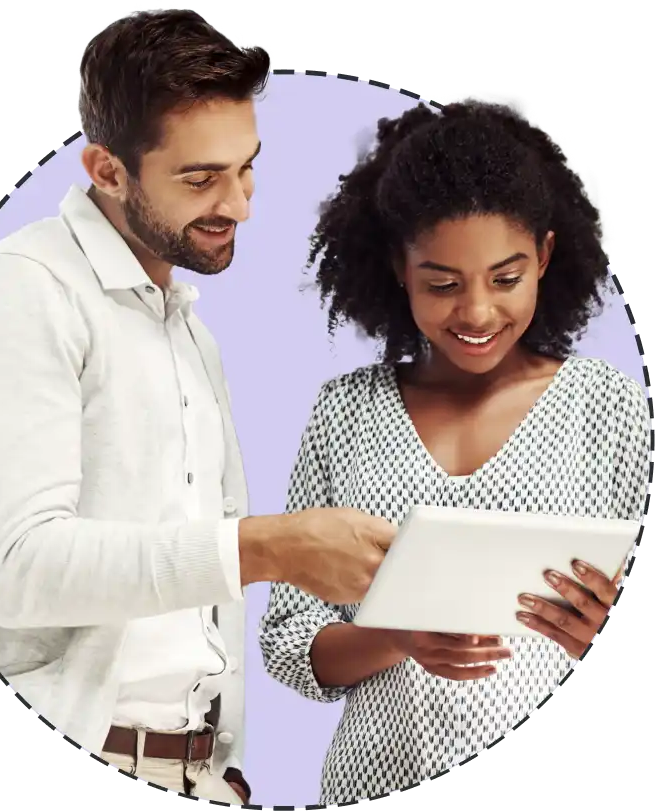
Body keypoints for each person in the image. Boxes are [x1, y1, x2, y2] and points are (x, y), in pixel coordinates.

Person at [0, 9, 395, 805]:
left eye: (247, 169)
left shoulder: (183, 329)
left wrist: (220, 768)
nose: (240, 204)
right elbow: (18, 570)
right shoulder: (22, 295)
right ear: (106, 169)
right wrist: (265, 549)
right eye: (201, 179)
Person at [258, 97, 650, 805]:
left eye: (506, 278)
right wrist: (395, 635)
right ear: (398, 269)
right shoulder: (346, 412)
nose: (475, 313)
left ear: (546, 257)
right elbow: (289, 637)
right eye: (442, 283)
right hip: (371, 783)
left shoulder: (608, 407)